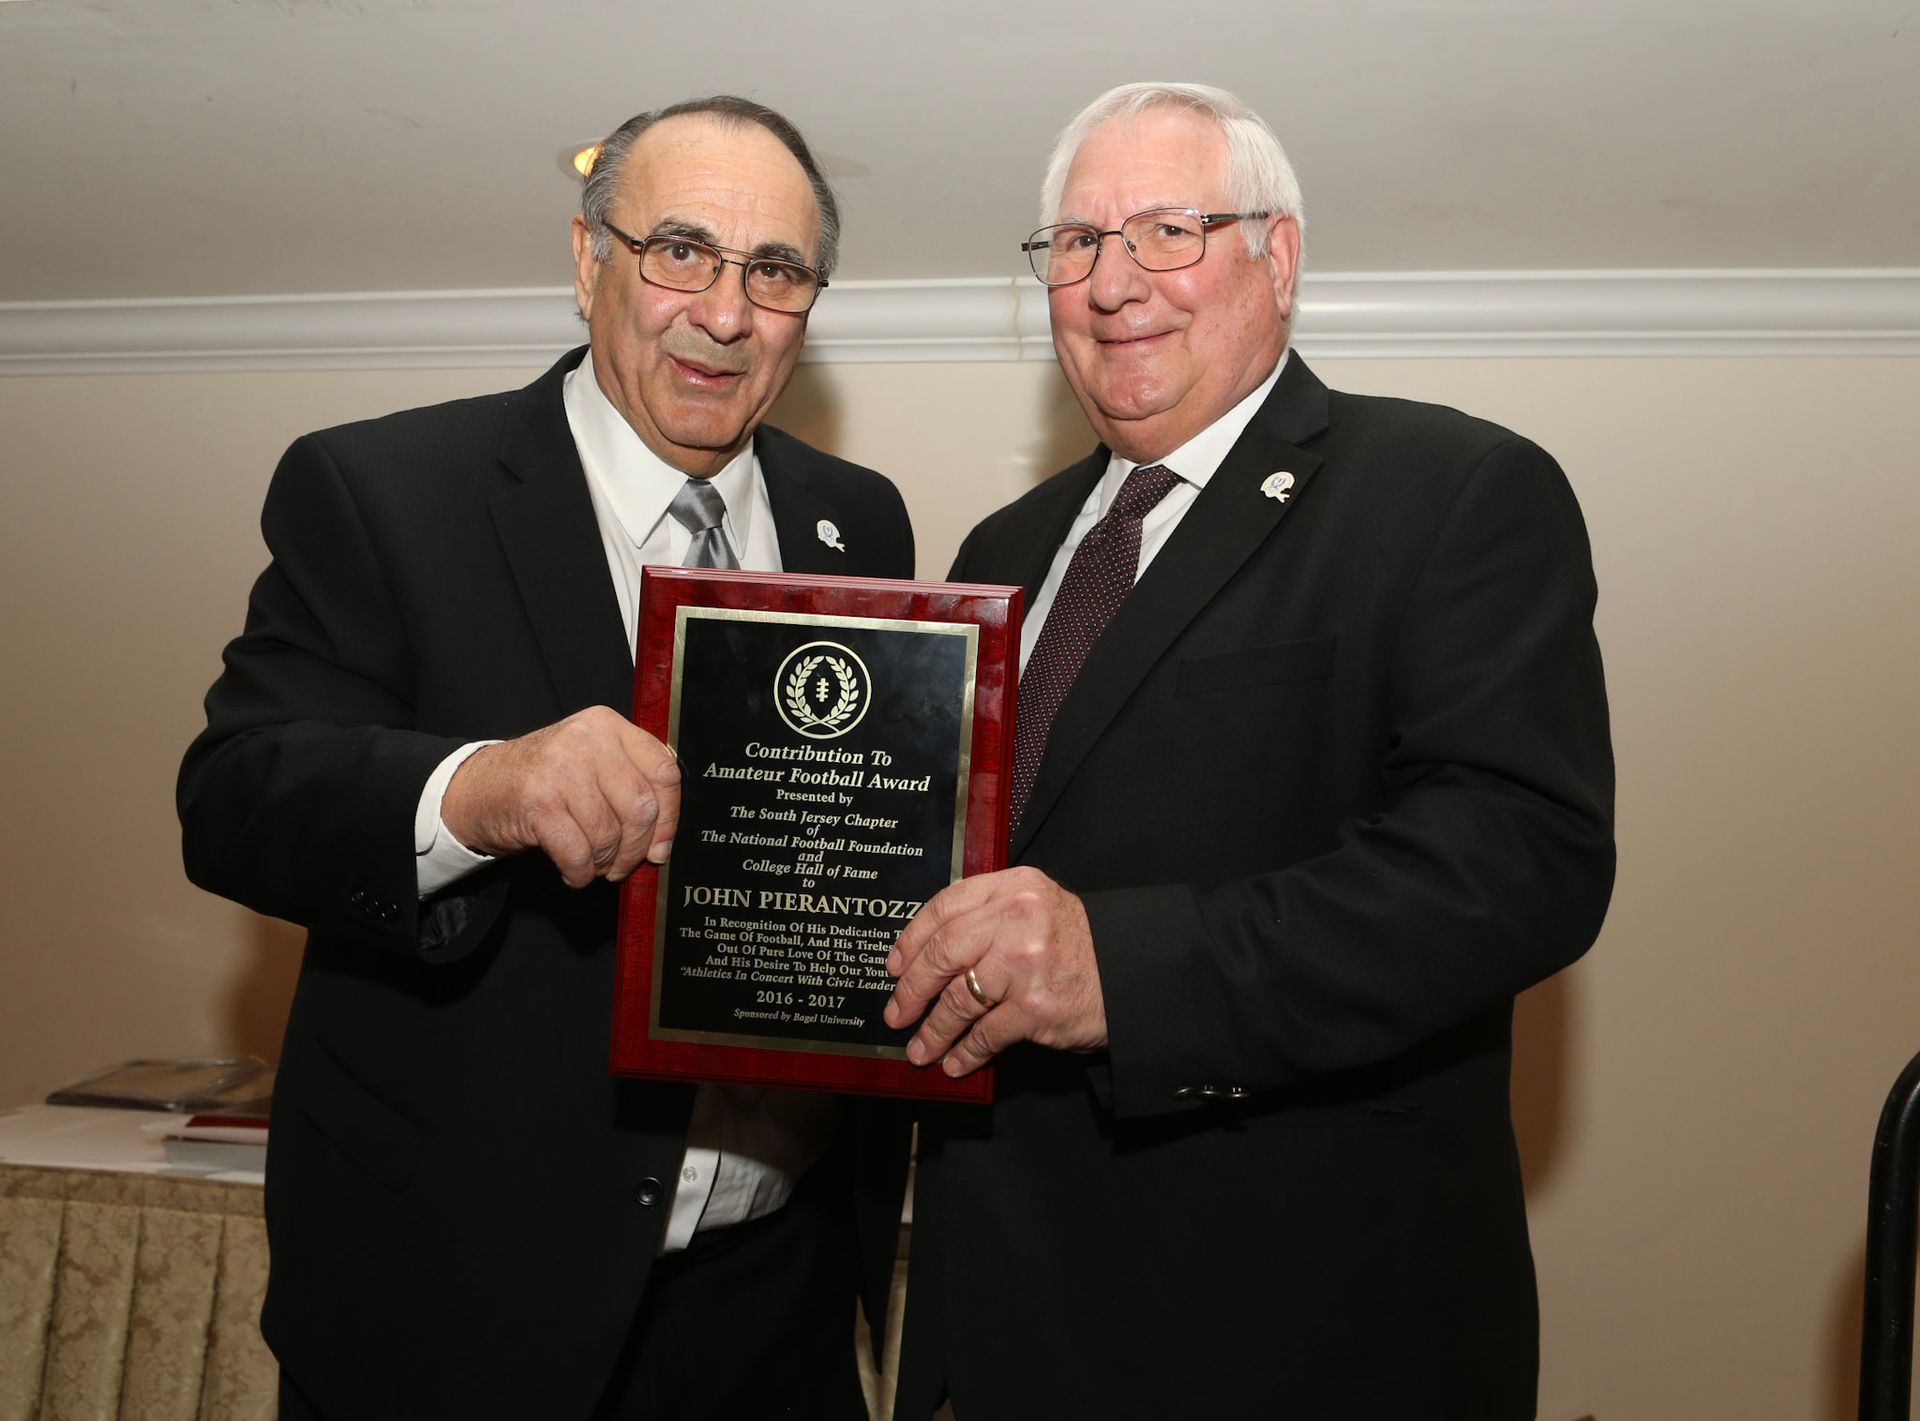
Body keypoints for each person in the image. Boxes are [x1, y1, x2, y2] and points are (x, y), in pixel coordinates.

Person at [885, 82, 1614, 1419]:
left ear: (1278, 257)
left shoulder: (1450, 492)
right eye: (1078, 244)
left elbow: (1520, 861)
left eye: (1169, 230)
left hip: (1304, 1333)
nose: (1115, 283)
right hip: (1004, 1327)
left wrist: (1127, 966)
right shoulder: (1000, 555)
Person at [178, 96, 913, 1421]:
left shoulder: (854, 519)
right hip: (460, 1307)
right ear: (589, 261)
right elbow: (235, 794)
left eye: (776, 271)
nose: (726, 312)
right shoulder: (387, 491)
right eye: (679, 250)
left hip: (775, 1304)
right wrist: (483, 790)